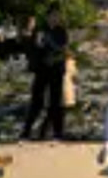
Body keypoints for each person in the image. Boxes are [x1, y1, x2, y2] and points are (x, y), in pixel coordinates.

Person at [20, 13, 74, 142]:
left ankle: (58, 133)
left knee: (56, 102)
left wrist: (49, 43)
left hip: (56, 69)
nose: (54, 19)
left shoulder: (62, 32)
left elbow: (61, 49)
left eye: (56, 17)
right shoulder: (40, 31)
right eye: (51, 16)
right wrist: (28, 37)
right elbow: (33, 49)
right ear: (47, 17)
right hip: (42, 70)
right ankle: (26, 132)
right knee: (36, 101)